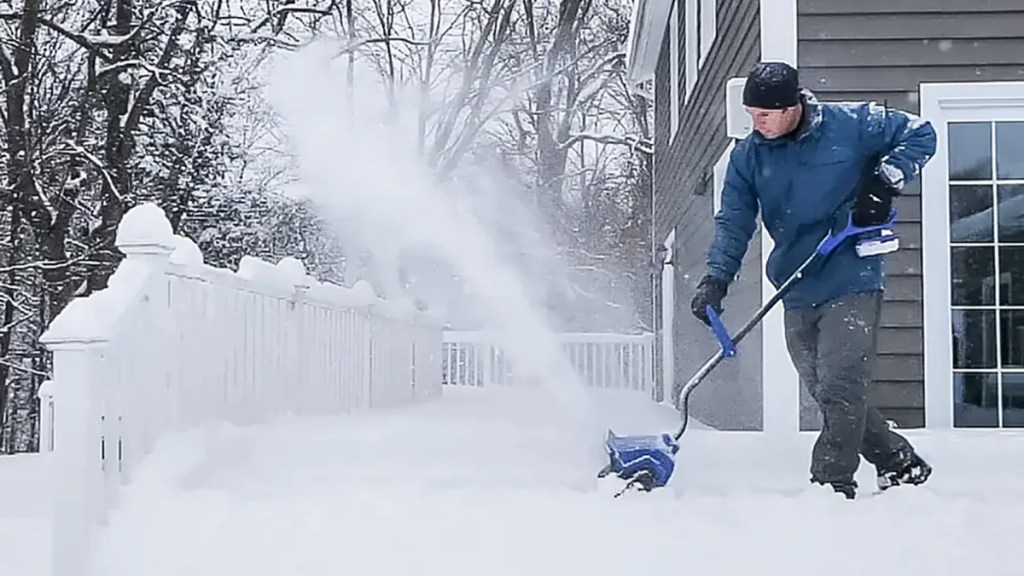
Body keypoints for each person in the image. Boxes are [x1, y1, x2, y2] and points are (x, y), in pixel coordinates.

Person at [689, 61, 936, 499]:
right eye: (751, 114)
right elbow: (733, 222)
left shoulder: (851, 124)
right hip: (796, 281)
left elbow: (921, 133)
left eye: (764, 114)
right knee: (827, 390)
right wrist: (716, 280)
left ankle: (831, 485)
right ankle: (898, 461)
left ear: (790, 107)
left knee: (841, 383)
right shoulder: (748, 157)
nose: (756, 123)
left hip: (851, 271)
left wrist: (883, 181)